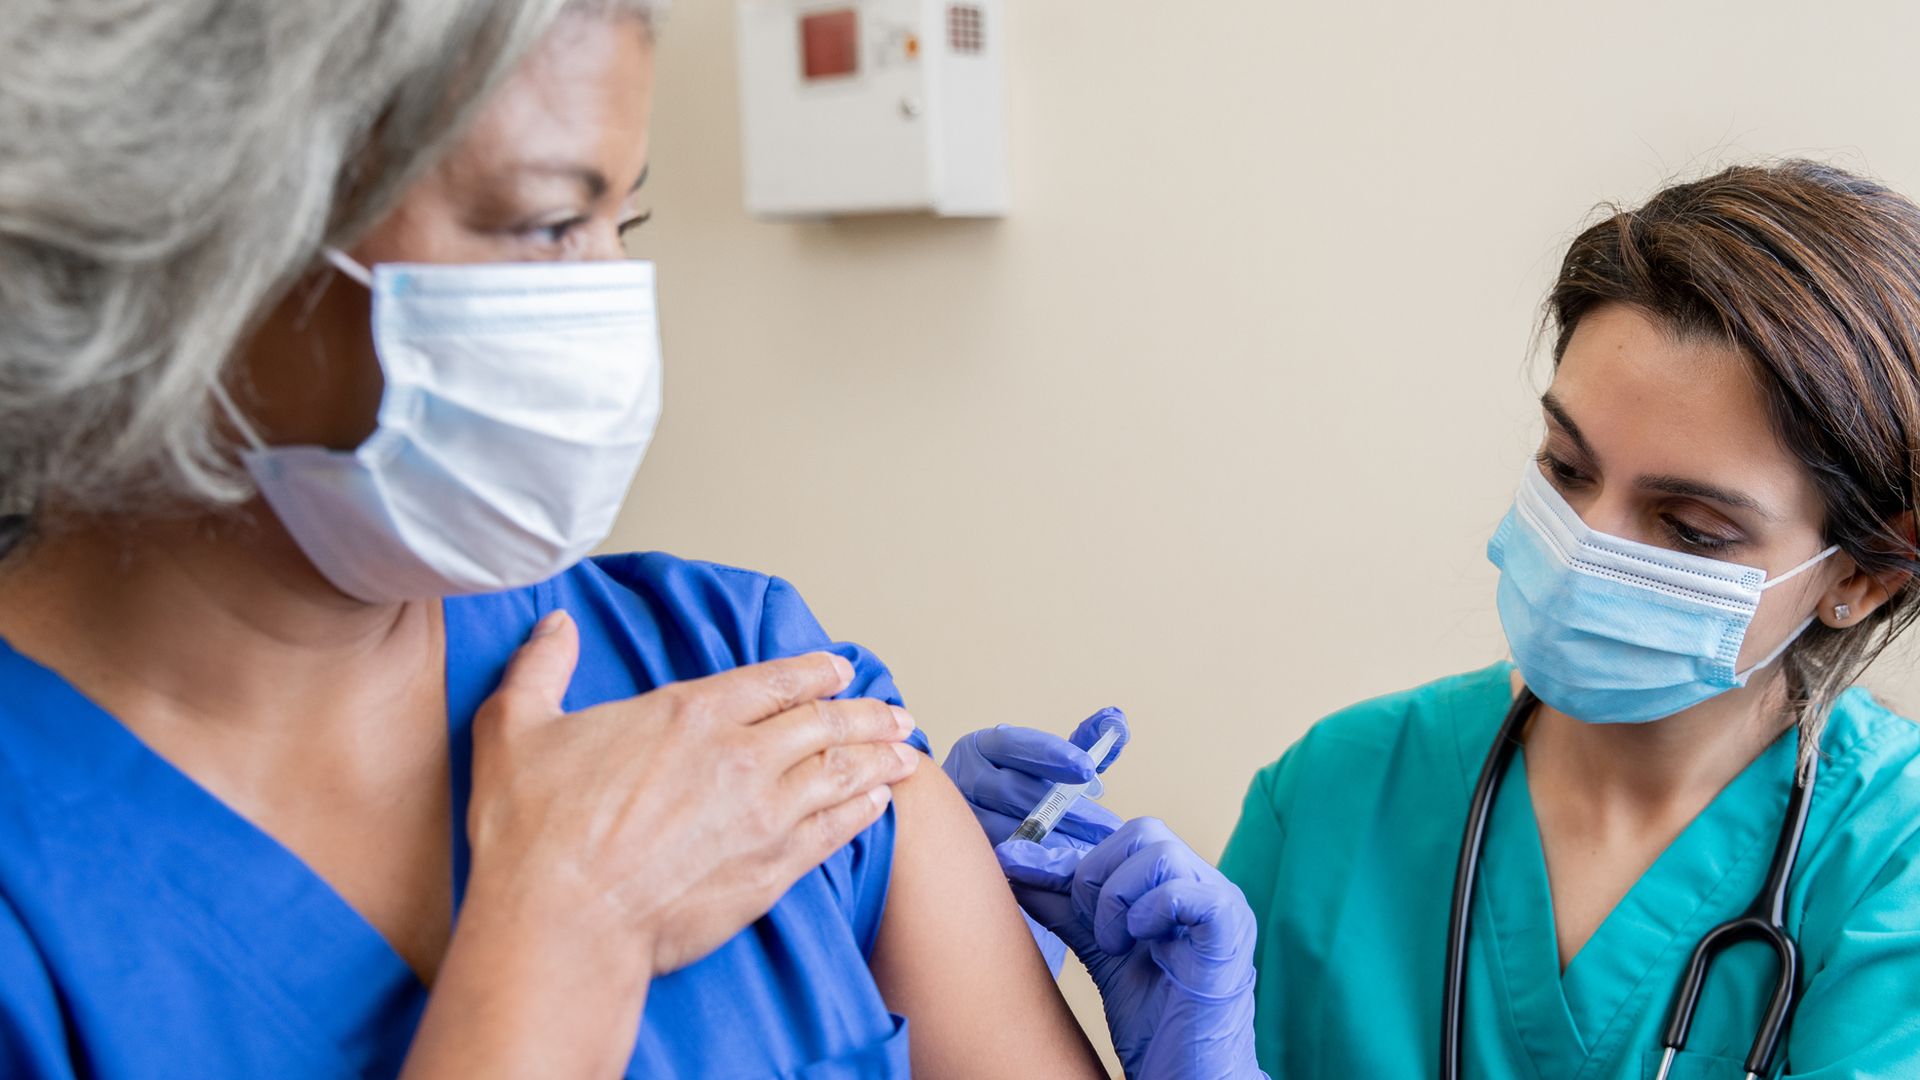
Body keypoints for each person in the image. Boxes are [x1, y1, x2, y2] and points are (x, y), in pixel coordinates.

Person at [0, 1, 1236, 1074]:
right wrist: (559, 943)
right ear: (195, 224)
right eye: (547, 226)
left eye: (622, 230)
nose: (605, 310)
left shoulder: (729, 670)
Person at [953, 162, 1920, 1078]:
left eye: (1692, 528)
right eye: (1566, 468)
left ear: (1866, 575)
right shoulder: (1338, 792)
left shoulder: (1890, 866)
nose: (1584, 545)